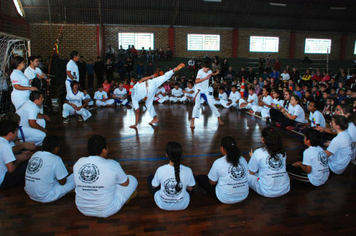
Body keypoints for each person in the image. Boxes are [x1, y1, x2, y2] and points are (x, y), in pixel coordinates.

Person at [74, 135, 138, 218]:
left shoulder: (79, 162)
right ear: (104, 150)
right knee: (132, 179)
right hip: (106, 209)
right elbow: (125, 184)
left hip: (82, 208)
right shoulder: (112, 164)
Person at [129, 63, 185, 128]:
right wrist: (151, 76)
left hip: (149, 90)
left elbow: (137, 111)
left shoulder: (134, 99)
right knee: (164, 77)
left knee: (148, 104)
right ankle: (173, 70)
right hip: (150, 82)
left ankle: (155, 118)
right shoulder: (134, 87)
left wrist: (135, 124)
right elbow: (142, 79)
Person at [195, 136, 249, 204]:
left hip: (224, 198)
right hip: (243, 196)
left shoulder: (218, 162)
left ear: (222, 148)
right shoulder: (243, 159)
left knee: (201, 178)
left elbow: (212, 182)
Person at [24, 135, 75, 203]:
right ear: (56, 148)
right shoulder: (56, 159)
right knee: (76, 176)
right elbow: (63, 182)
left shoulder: (35, 154)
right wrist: (68, 171)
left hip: (31, 194)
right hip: (46, 196)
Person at [148, 141, 195, 211]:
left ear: (166, 155)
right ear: (181, 155)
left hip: (162, 204)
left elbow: (154, 186)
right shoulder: (188, 170)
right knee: (193, 181)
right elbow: (190, 189)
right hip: (182, 205)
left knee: (150, 178)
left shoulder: (160, 170)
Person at [248, 127, 290, 197]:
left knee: (246, 174)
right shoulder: (283, 152)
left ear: (262, 139)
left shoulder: (258, 153)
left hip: (267, 190)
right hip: (285, 188)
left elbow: (251, 172)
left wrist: (252, 158)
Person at [190, 61, 224, 128]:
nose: (204, 69)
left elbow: (211, 74)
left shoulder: (209, 71)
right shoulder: (200, 71)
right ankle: (192, 121)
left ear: (208, 68)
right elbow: (196, 81)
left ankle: (219, 119)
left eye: (206, 68)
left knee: (211, 104)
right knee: (197, 105)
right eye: (204, 67)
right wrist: (205, 78)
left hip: (205, 90)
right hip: (198, 90)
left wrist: (216, 73)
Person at [0, 120, 32, 188]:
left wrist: (19, 156)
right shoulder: (6, 146)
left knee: (22, 153)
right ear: (10, 133)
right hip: (2, 180)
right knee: (29, 162)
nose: (17, 133)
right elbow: (11, 169)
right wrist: (20, 159)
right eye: (16, 131)